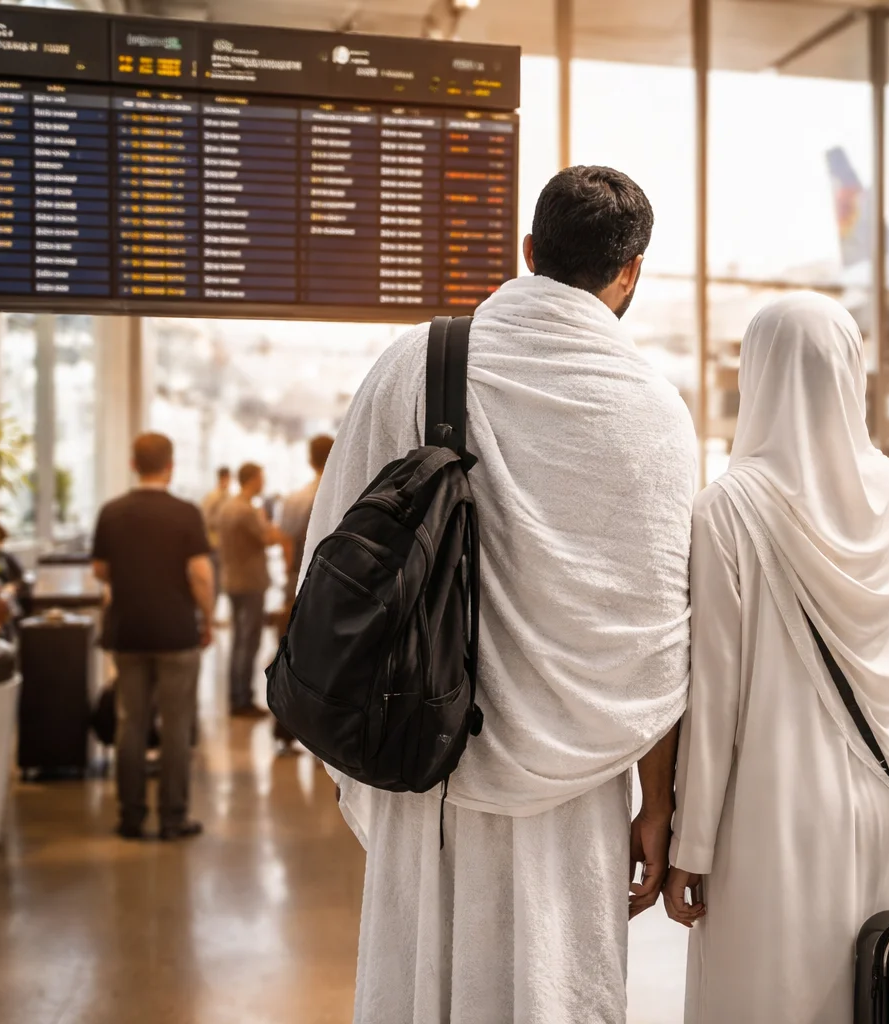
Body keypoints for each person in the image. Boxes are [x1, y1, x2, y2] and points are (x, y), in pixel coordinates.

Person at [306, 165, 696, 1023]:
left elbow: (332, 556)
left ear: (528, 251)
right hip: (580, 787)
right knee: (556, 986)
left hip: (424, 754)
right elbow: (662, 631)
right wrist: (660, 804)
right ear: (630, 273)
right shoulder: (654, 410)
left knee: (424, 984)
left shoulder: (416, 362)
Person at [660, 292, 889, 1022]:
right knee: (881, 999)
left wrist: (690, 843)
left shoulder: (731, 508)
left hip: (771, 815)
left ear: (756, 377)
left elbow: (715, 698)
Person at [91, 433, 214, 840]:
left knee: (131, 723)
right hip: (176, 631)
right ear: (170, 465)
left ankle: (130, 816)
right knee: (177, 727)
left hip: (127, 631)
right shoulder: (185, 514)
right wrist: (208, 617)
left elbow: (100, 571)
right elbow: (200, 574)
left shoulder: (111, 512)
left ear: (132, 463)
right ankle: (173, 818)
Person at [271, 435, 334, 753]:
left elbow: (284, 542)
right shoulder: (345, 491)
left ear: (310, 460)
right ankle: (327, 733)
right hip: (336, 589)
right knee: (333, 659)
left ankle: (285, 731)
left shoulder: (296, 498)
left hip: (299, 584)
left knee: (292, 655)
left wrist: (289, 577)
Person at [216, 462, 288, 718]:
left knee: (238, 642)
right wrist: (274, 527)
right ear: (253, 479)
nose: (264, 483)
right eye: (262, 477)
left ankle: (236, 696)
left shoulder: (227, 506)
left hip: (232, 580)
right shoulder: (246, 510)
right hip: (249, 582)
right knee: (248, 642)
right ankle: (242, 699)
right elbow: (268, 538)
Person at [277, 435, 335, 591]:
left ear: (310, 461)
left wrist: (289, 573)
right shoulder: (352, 495)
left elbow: (287, 541)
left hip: (304, 574)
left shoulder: (295, 500)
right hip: (343, 576)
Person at [200, 466, 232, 600]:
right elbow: (205, 519)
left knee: (221, 581)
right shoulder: (213, 497)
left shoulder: (228, 496)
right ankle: (210, 614)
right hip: (214, 544)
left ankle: (213, 613)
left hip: (224, 545)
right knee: (214, 580)